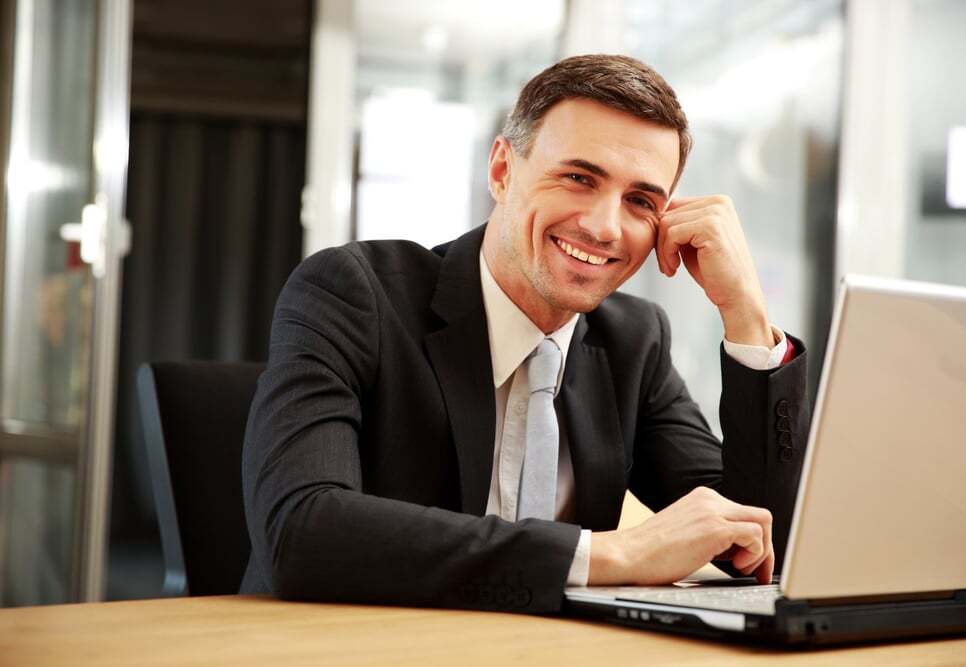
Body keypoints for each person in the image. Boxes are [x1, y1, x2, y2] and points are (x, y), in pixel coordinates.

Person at [240, 54, 809, 613]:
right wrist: (608, 555)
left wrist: (746, 313)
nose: (604, 227)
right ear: (502, 170)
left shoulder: (635, 340)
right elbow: (303, 529)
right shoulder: (354, 293)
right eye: (579, 178)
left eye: (640, 201)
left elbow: (756, 540)